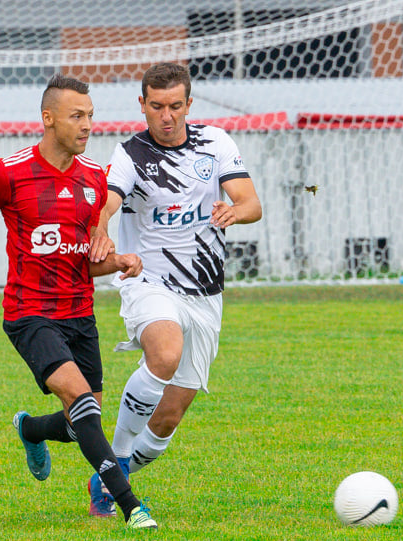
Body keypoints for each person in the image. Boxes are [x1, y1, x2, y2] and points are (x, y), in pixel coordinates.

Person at [0, 74, 158, 530]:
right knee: (83, 403)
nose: (87, 126)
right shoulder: (7, 172)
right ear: (48, 119)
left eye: (91, 116)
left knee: (84, 420)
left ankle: (30, 429)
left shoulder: (97, 180)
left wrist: (120, 260)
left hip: (80, 313)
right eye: (77, 116)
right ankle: (130, 506)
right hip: (29, 313)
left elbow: (88, 258)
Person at [86, 62, 262, 516]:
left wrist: (233, 213)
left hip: (204, 293)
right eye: (157, 106)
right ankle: (117, 459)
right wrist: (101, 228)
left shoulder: (216, 142)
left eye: (176, 106)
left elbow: (251, 203)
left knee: (167, 420)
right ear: (142, 104)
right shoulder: (129, 154)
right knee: (163, 353)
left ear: (189, 104)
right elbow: (109, 198)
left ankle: (112, 474)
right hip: (148, 280)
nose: (167, 116)